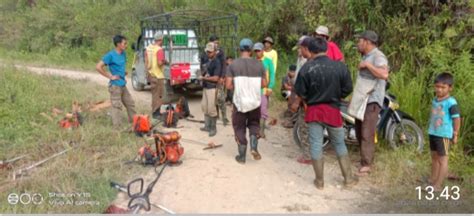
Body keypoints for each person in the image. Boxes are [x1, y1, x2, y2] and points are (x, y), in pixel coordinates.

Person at [293, 37, 357, 189]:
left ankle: (319, 181)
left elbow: (300, 91)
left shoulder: (306, 68)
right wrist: (337, 96)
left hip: (314, 111)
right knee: (339, 143)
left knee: (316, 144)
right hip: (333, 110)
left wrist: (309, 98)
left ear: (311, 50)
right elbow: (348, 88)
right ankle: (348, 179)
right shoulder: (340, 67)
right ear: (326, 50)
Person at [353, 30, 390, 176]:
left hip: (372, 100)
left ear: (367, 42)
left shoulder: (378, 56)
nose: (358, 43)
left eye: (360, 41)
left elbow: (384, 74)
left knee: (367, 131)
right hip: (362, 99)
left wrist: (368, 65)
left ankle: (367, 164)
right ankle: (363, 158)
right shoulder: (367, 55)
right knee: (359, 129)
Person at [226, 38, 266, 164]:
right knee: (254, 124)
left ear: (240, 49)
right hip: (255, 102)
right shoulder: (260, 64)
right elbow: (264, 83)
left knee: (239, 127)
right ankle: (254, 147)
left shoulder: (233, 65)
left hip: (240, 103)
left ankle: (242, 157)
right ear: (251, 50)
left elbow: (228, 85)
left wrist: (238, 88)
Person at [428, 72, 461, 191]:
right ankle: (432, 179)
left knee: (443, 160)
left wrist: (455, 134)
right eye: (437, 86)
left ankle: (438, 185)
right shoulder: (435, 100)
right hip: (433, 133)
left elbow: (456, 118)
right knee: (434, 157)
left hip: (444, 135)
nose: (439, 89)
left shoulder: (451, 102)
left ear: (450, 88)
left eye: (443, 87)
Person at [95, 35, 136, 128]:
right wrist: (110, 76)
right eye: (124, 43)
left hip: (122, 84)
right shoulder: (110, 55)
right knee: (116, 107)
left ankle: (135, 123)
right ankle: (117, 128)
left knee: (130, 103)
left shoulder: (123, 53)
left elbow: (119, 66)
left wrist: (123, 72)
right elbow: (98, 67)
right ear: (118, 44)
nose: (126, 45)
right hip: (115, 86)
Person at [253, 42, 275, 139]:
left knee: (263, 110)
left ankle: (261, 131)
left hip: (263, 89)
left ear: (263, 51)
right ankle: (255, 129)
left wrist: (270, 87)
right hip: (253, 90)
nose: (257, 52)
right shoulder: (252, 61)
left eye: (258, 50)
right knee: (254, 110)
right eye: (255, 51)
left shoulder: (268, 61)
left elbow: (272, 75)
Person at [200, 42, 222, 137]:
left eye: (210, 52)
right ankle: (207, 125)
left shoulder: (217, 62)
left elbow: (216, 78)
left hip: (212, 88)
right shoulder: (207, 60)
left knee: (212, 108)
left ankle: (213, 128)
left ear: (214, 52)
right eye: (208, 52)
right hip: (206, 87)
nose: (208, 53)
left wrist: (204, 78)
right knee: (205, 106)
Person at [145, 33, 168, 119]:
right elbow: (159, 63)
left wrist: (147, 73)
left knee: (154, 95)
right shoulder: (159, 50)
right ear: (161, 39)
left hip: (151, 75)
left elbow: (146, 62)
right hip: (158, 76)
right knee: (159, 95)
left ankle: (155, 112)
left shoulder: (148, 48)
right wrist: (165, 61)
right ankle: (156, 114)